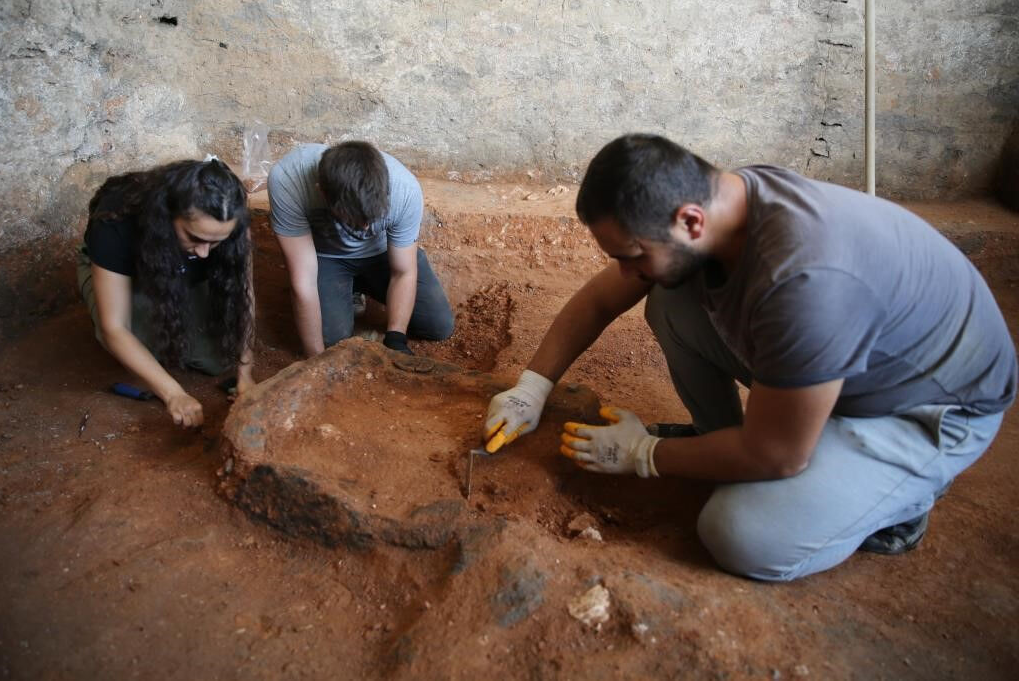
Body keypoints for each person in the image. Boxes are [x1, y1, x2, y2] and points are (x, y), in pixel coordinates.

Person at [484, 134, 1016, 581]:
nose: (625, 273)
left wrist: (644, 454)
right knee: (669, 296)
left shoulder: (803, 280)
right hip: (849, 358)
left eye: (632, 256)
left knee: (741, 535)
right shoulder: (729, 200)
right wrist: (532, 387)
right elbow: (602, 298)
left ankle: (903, 500)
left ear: (690, 220)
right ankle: (719, 441)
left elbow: (779, 455)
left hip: (926, 407)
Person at [78, 158, 255, 428]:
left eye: (216, 242)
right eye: (195, 238)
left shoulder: (230, 217)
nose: (204, 252)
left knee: (218, 360)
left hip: (183, 276)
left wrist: (245, 373)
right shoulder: (116, 223)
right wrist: (173, 394)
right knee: (138, 340)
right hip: (134, 276)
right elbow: (115, 326)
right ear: (168, 216)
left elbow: (243, 296)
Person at [267, 141, 454, 356]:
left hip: (383, 255)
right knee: (331, 344)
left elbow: (403, 271)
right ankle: (349, 289)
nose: (365, 228)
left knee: (438, 325)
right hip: (326, 258)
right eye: (353, 220)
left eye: (371, 219)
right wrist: (316, 362)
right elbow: (303, 282)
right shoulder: (288, 181)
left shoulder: (404, 190)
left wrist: (396, 338)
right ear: (323, 193)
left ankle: (360, 287)